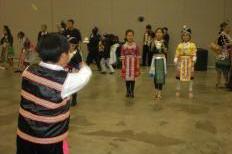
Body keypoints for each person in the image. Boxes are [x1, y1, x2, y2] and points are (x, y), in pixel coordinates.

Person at [16, 33, 92, 154]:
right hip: (49, 141)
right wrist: (82, 64)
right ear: (62, 56)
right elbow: (86, 74)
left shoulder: (28, 70)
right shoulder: (65, 81)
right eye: (68, 52)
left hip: (24, 136)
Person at [174, 26, 197, 98]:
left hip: (189, 62)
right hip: (181, 62)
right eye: (184, 35)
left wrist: (194, 57)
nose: (185, 37)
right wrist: (175, 58)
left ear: (189, 36)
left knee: (191, 76)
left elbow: (194, 52)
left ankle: (190, 90)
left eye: (187, 35)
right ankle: (178, 89)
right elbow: (177, 52)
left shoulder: (192, 45)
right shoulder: (180, 45)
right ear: (182, 37)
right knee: (178, 76)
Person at [121, 29, 140, 98]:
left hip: (133, 63)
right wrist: (123, 65)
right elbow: (122, 56)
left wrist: (137, 64)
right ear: (126, 36)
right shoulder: (123, 46)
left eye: (131, 35)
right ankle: (127, 91)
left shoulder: (136, 46)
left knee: (132, 78)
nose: (130, 37)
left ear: (133, 36)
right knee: (127, 79)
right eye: (128, 35)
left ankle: (132, 91)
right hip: (126, 63)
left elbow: (138, 56)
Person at [149, 28, 167, 100]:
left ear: (163, 34)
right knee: (155, 76)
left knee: (161, 77)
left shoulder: (164, 42)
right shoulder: (153, 42)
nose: (158, 34)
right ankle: (156, 92)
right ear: (155, 34)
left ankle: (160, 93)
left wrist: (162, 46)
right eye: (157, 32)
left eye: (160, 32)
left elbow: (165, 51)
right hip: (155, 60)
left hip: (162, 60)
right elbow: (151, 51)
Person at [66, 37, 83, 106]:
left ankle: (74, 99)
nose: (71, 46)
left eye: (72, 45)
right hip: (66, 70)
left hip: (74, 71)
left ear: (75, 45)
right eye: (70, 44)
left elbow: (80, 63)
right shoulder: (66, 52)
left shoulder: (77, 53)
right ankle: (66, 99)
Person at [215, 22, 232, 89]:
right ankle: (220, 83)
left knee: (225, 69)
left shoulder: (227, 35)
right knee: (221, 69)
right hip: (223, 54)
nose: (229, 28)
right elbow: (223, 44)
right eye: (228, 27)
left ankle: (225, 82)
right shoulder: (222, 35)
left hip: (226, 54)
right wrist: (230, 44)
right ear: (223, 28)